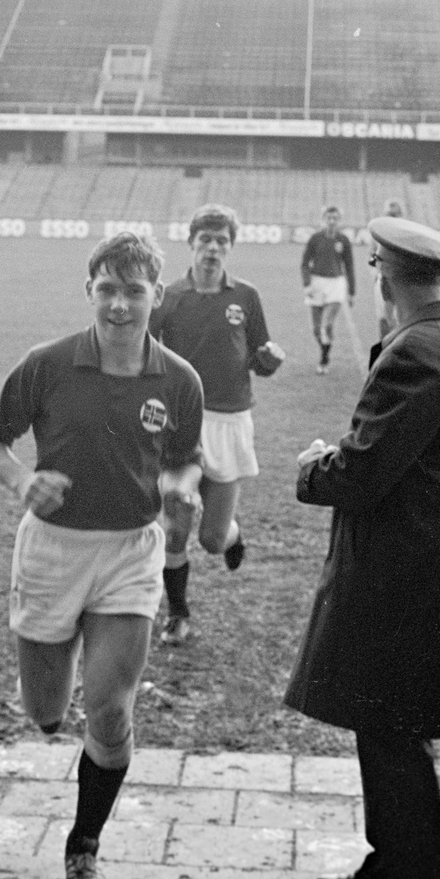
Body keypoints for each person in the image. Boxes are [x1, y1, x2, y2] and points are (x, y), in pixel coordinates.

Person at [0, 232, 203, 879]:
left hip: (130, 552)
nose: (121, 304)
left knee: (109, 708)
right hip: (51, 550)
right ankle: (50, 698)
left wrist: (182, 486)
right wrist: (21, 481)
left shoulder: (179, 379)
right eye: (109, 289)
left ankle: (84, 845)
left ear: (157, 295)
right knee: (45, 710)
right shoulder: (47, 364)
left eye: (135, 291)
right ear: (90, 290)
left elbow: (187, 456)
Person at [285, 216, 440, 879]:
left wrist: (314, 468)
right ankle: (394, 859)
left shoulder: (418, 353)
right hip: (425, 572)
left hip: (397, 579)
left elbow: (363, 471)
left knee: (392, 735)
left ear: (381, 272)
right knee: (382, 725)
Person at [148, 203, 284, 646]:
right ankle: (178, 614)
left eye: (221, 241)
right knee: (175, 518)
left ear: (230, 248)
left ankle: (233, 536)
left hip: (230, 421)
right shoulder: (168, 297)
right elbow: (144, 354)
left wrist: (268, 361)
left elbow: (260, 356)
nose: (212, 248)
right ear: (191, 243)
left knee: (210, 538)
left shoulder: (245, 296)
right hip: (181, 422)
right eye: (205, 240)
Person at [301, 205, 355, 373]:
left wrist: (352, 292)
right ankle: (325, 352)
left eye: (335, 218)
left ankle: (323, 361)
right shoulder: (315, 239)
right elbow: (304, 263)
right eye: (329, 218)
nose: (332, 222)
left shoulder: (344, 240)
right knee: (317, 329)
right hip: (316, 283)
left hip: (336, 284)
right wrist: (307, 283)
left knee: (326, 325)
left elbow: (349, 266)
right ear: (323, 219)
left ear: (339, 220)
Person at [373, 199, 405, 338]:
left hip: (403, 281)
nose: (393, 218)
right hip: (384, 278)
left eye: (396, 215)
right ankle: (385, 351)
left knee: (401, 318)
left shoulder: (407, 234)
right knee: (384, 318)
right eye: (390, 215)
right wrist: (376, 271)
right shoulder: (378, 234)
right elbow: (372, 256)